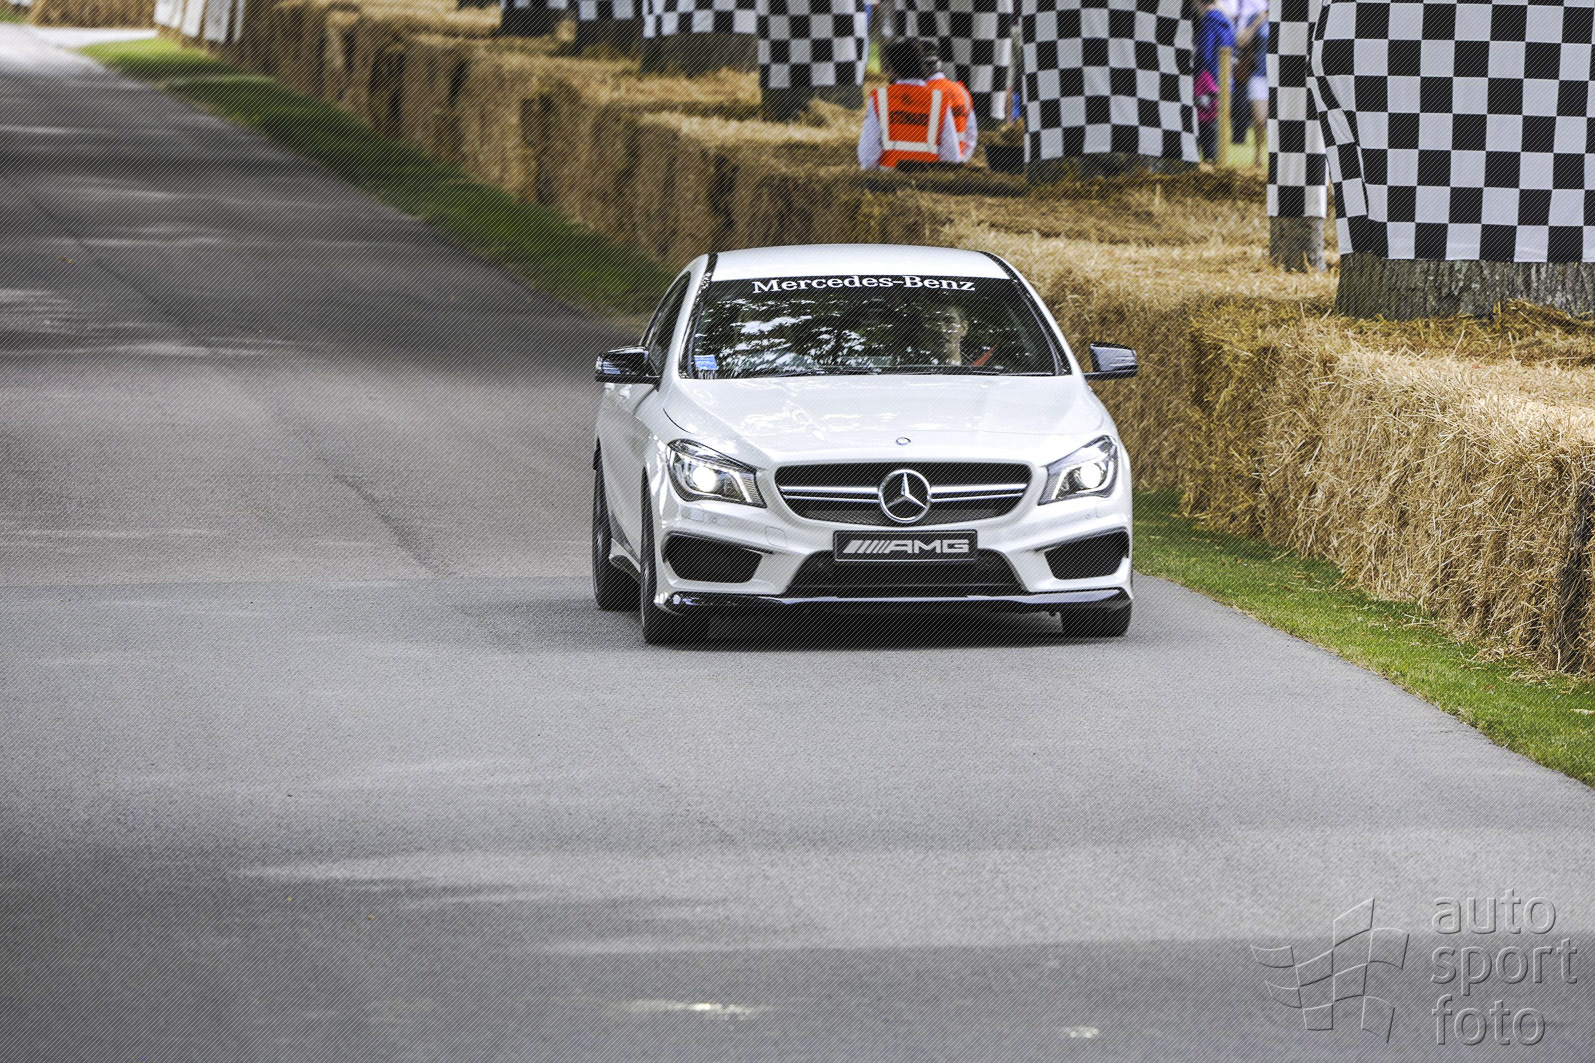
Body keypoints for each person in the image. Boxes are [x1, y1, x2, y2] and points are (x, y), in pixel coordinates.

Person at [858, 39, 965, 170]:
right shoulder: (940, 100)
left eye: (888, 67)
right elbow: (952, 155)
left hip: (889, 177)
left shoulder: (879, 98)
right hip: (928, 178)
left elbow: (868, 154)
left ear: (894, 68)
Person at [1192, 0, 1237, 164]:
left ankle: (1205, 164)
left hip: (1207, 84)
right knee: (1217, 127)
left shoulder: (1208, 21)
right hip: (1225, 82)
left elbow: (1204, 54)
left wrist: (1194, 76)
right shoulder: (1227, 21)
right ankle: (1215, 164)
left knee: (1203, 123)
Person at [921, 39, 977, 163]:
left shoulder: (923, 93)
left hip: (930, 166)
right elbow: (971, 134)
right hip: (957, 166)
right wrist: (962, 160)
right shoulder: (961, 91)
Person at [1234, 0, 1269, 166]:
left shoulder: (1289, 19)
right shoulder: (1257, 16)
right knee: (1259, 119)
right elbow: (1241, 41)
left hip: (1282, 77)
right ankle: (1258, 155)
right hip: (1259, 75)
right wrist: (1256, 23)